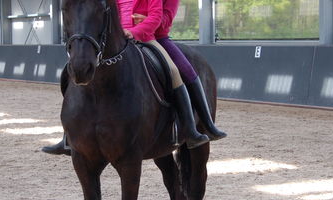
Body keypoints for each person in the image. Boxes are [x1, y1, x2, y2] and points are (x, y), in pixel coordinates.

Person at [42, 0, 210, 155]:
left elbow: (156, 17)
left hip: (149, 37)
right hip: (117, 40)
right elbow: (110, 14)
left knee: (175, 71)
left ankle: (191, 129)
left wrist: (135, 31)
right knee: (69, 71)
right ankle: (69, 136)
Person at [133, 0, 227, 140]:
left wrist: (147, 22)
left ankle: (205, 124)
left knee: (185, 70)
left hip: (158, 37)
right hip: (128, 34)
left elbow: (166, 19)